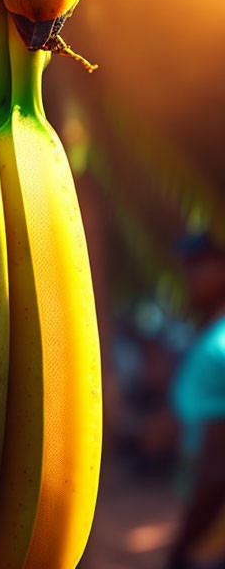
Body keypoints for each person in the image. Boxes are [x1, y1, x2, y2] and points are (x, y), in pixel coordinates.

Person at [168, 231, 225, 569]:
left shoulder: (218, 347)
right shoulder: (212, 333)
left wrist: (183, 549)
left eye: (199, 266)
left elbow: (217, 466)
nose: (190, 278)